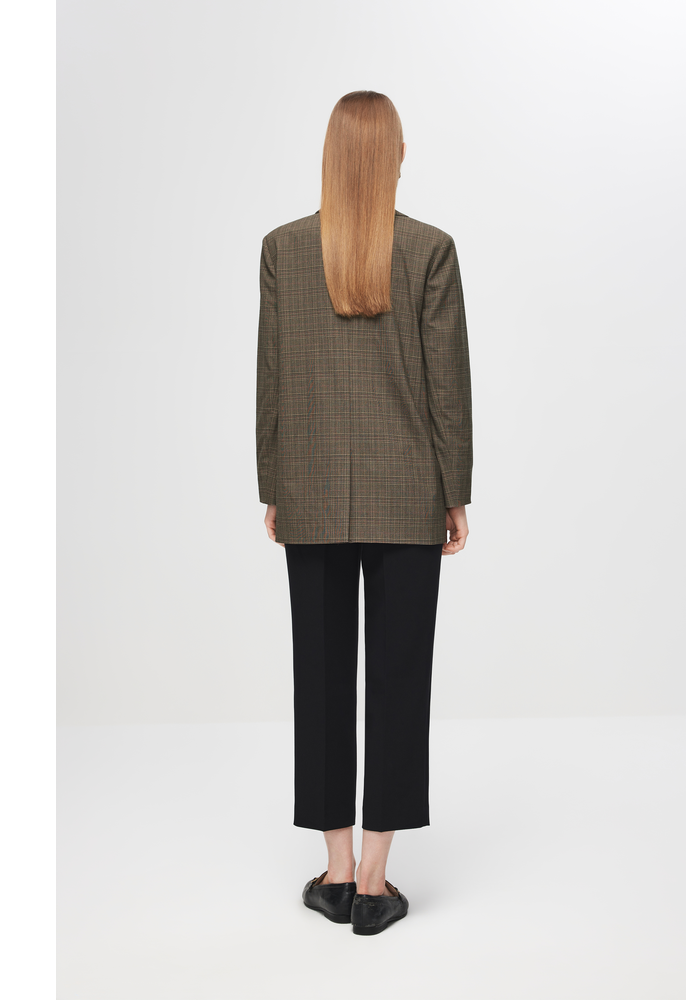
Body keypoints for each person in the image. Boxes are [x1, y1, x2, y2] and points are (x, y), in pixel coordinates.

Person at [255, 90, 473, 935]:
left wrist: (274, 483)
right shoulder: (429, 250)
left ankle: (336, 869)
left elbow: (272, 378)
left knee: (319, 676)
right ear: (395, 155)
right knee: (399, 678)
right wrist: (454, 491)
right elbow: (447, 386)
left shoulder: (282, 249)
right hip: (407, 492)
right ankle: (377, 883)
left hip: (310, 488)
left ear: (330, 155)